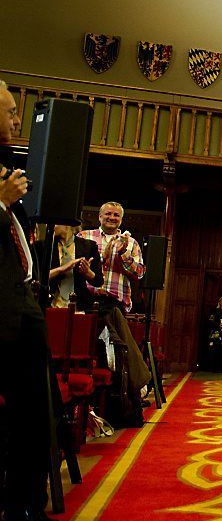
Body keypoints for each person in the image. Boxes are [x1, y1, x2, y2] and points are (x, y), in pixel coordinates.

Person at [0, 79, 55, 521]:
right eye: (11, 111)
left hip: (23, 303)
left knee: (36, 413)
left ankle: (27, 501)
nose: (19, 120)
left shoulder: (7, 171)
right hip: (3, 311)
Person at [78, 202, 152, 405]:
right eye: (108, 214)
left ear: (121, 219)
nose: (112, 218)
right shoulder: (85, 237)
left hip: (114, 304)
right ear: (100, 216)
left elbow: (139, 273)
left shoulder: (131, 242)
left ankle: (120, 400)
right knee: (88, 352)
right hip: (86, 300)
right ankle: (89, 399)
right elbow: (78, 266)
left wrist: (122, 253)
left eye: (116, 215)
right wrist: (103, 255)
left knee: (116, 355)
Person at [44, 224, 103, 310]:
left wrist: (88, 273)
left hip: (78, 307)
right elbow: (38, 279)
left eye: (55, 223)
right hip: (50, 305)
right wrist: (61, 269)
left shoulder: (89, 246)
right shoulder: (44, 246)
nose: (47, 226)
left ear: (67, 224)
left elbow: (99, 281)